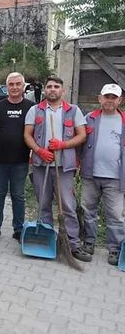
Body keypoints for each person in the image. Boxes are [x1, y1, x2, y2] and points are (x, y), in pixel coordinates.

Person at [23, 76, 89, 262]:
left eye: (56, 87)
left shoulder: (73, 111)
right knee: (43, 204)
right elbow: (27, 135)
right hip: (40, 165)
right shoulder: (35, 110)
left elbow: (82, 135)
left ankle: (72, 244)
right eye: (49, 86)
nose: (52, 89)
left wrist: (63, 144)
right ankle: (47, 239)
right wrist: (39, 150)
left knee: (67, 206)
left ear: (62, 90)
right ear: (45, 90)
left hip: (64, 166)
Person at [0, 73, 34, 242]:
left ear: (23, 86)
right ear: (7, 86)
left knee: (18, 195)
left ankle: (19, 229)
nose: (14, 87)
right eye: (11, 84)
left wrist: (34, 154)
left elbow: (36, 134)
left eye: (18, 84)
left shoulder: (31, 107)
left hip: (21, 160)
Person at [79, 83, 125, 266]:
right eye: (106, 96)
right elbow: (79, 142)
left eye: (113, 97)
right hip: (90, 174)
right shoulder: (89, 119)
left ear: (119, 100)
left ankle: (115, 248)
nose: (109, 100)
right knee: (88, 211)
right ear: (100, 98)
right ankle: (89, 242)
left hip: (115, 177)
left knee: (115, 214)